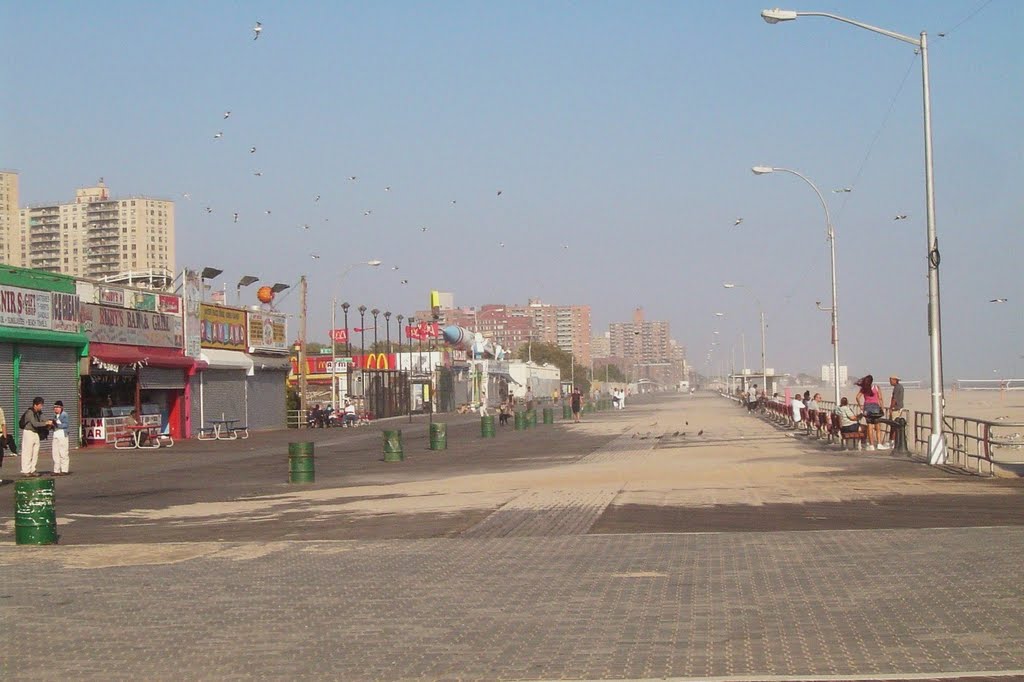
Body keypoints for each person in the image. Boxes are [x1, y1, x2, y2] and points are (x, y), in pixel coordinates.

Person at [19, 397, 53, 477]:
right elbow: (35, 424)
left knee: (35, 452)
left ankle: (33, 469)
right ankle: (26, 470)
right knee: (27, 452)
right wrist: (46, 423)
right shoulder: (29, 412)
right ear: (35, 405)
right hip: (28, 432)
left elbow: (44, 419)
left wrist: (49, 422)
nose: (41, 407)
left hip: (35, 433)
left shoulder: (39, 412)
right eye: (40, 405)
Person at [856, 374, 886, 450]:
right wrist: (882, 408)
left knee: (870, 426)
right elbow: (880, 398)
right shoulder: (876, 387)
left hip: (867, 408)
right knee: (877, 426)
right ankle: (879, 443)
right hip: (876, 407)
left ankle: (871, 445)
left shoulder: (864, 389)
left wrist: (861, 406)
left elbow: (857, 397)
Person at [51, 400, 70, 476]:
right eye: (55, 407)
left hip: (62, 434)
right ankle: (56, 470)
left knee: (63, 452)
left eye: (58, 407)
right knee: (55, 453)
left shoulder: (64, 414)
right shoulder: (55, 416)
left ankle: (64, 469)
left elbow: (66, 424)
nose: (56, 409)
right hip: (55, 434)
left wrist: (56, 425)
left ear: (61, 408)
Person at [888, 375, 905, 446]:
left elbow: (894, 398)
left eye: (891, 380)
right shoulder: (899, 387)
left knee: (894, 425)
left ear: (895, 380)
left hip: (896, 408)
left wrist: (891, 407)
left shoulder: (897, 388)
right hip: (899, 407)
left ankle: (893, 442)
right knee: (894, 425)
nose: (890, 382)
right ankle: (893, 441)